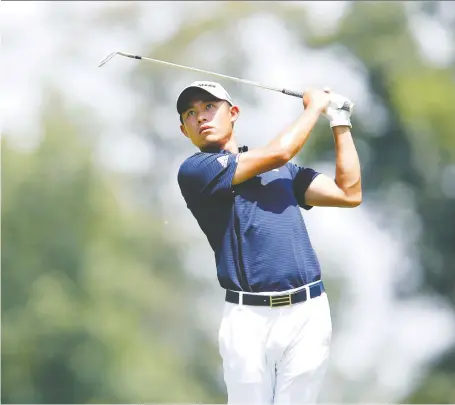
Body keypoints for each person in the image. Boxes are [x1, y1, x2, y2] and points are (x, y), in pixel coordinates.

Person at [176, 80, 361, 405]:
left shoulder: (285, 173)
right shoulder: (196, 171)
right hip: (247, 320)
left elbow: (349, 193)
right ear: (184, 130)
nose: (201, 117)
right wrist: (314, 107)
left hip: (308, 313)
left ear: (233, 113)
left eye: (209, 107)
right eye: (191, 113)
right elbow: (280, 151)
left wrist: (339, 120)